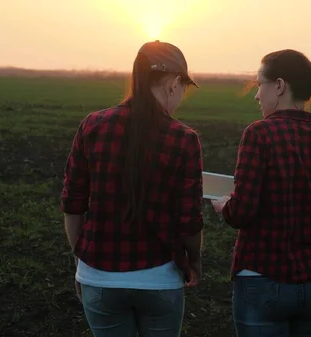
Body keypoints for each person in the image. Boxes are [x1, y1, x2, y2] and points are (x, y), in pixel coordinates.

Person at [59, 40, 204, 337]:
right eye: (184, 88)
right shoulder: (184, 139)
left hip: (98, 278)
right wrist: (194, 261)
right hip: (160, 280)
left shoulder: (92, 126)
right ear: (174, 83)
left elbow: (73, 205)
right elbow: (189, 219)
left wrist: (81, 261)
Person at [211, 49, 311, 337]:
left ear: (278, 86)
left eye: (258, 85)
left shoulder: (259, 134)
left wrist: (224, 205)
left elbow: (242, 212)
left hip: (265, 278)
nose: (256, 95)